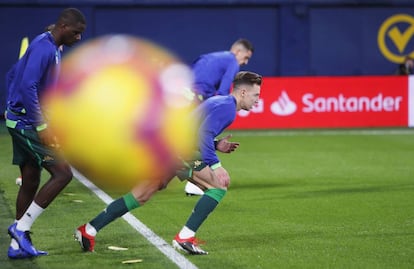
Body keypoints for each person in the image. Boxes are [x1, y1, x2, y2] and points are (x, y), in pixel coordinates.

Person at [74, 71, 263, 255]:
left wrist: (215, 145)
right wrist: (215, 165)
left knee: (142, 194)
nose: (257, 100)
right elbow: (203, 133)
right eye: (256, 95)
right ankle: (185, 238)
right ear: (243, 92)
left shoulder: (220, 101)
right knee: (218, 186)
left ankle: (88, 230)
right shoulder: (228, 108)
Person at [5, 8, 86, 259]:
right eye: (76, 33)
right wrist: (41, 125)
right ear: (63, 27)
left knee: (30, 179)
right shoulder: (44, 47)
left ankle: (17, 246)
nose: (78, 38)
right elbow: (27, 84)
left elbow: (15, 77)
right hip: (27, 124)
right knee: (62, 174)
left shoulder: (52, 48)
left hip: (20, 119)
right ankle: (21, 229)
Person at [185, 38, 254, 196]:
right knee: (200, 135)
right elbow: (223, 91)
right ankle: (197, 183)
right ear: (237, 51)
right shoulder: (232, 61)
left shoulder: (210, 56)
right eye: (246, 57)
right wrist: (222, 106)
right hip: (195, 97)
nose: (245, 63)